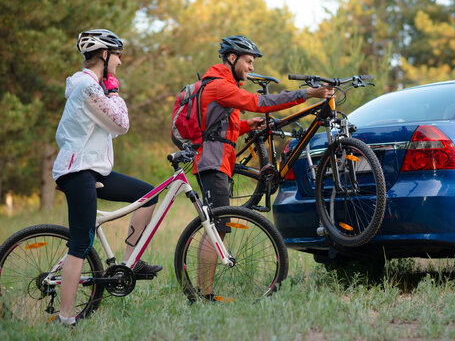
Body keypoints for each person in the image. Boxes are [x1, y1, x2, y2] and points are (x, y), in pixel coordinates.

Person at [194, 35, 334, 298]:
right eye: (248, 61)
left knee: (217, 228)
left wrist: (248, 125)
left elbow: (224, 130)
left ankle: (203, 292)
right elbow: (259, 102)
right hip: (212, 162)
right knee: (217, 228)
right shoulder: (219, 86)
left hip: (219, 159)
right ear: (232, 58)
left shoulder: (222, 84)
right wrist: (308, 94)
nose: (251, 68)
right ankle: (204, 295)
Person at [52, 29, 161, 325]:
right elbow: (121, 124)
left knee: (149, 194)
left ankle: (129, 264)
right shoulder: (87, 88)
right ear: (104, 55)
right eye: (118, 56)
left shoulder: (91, 88)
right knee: (80, 245)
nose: (121, 63)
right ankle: (65, 318)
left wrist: (109, 92)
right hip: (77, 172)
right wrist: (114, 92)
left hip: (94, 169)